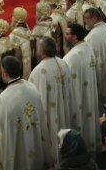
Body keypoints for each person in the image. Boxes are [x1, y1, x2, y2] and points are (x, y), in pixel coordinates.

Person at [0, 55, 48, 170]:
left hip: (16, 145)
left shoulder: (3, 98)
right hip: (33, 142)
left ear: (4, 73)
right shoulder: (32, 88)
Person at [29, 36, 78, 164]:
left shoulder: (39, 71)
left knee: (51, 137)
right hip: (63, 109)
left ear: (42, 52)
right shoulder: (62, 62)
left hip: (49, 114)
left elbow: (34, 98)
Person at [63, 23, 101, 154]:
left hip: (76, 98)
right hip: (87, 94)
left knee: (79, 121)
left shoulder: (71, 57)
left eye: (67, 34)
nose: (65, 36)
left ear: (75, 37)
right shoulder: (87, 47)